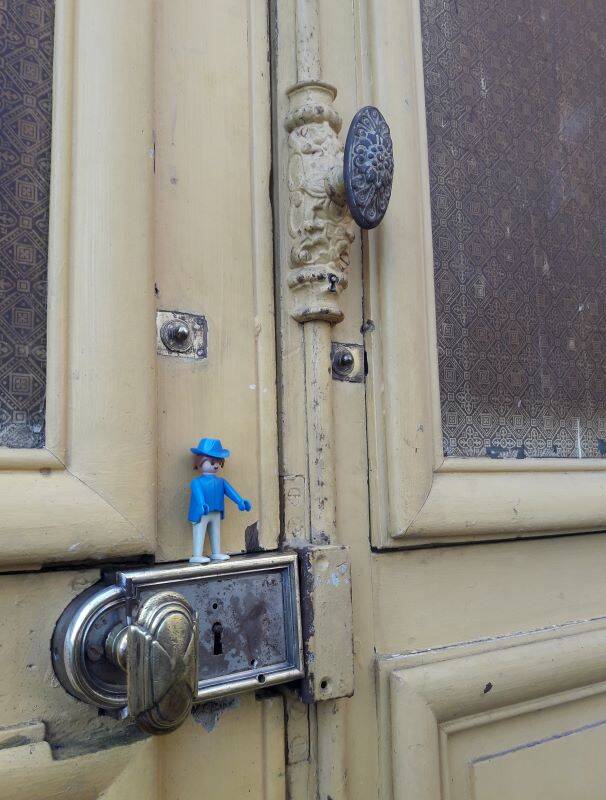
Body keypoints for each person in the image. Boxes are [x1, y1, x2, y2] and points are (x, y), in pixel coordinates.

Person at [187, 438, 252, 563]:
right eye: (212, 462)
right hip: (202, 512)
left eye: (219, 462)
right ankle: (197, 554)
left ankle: (216, 552)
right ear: (200, 462)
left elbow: (231, 492)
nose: (216, 465)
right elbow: (198, 495)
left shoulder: (221, 481)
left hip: (216, 512)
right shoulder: (197, 482)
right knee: (200, 532)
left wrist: (240, 501)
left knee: (215, 532)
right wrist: (201, 504)